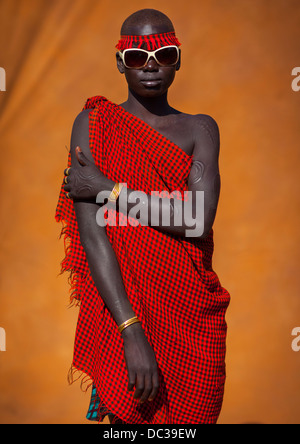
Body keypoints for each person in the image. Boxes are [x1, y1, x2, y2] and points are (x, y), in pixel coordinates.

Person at [55, 8, 230, 424]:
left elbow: (196, 221)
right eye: (137, 57)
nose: (150, 66)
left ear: (178, 60)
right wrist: (130, 328)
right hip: (125, 314)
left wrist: (107, 190)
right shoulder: (94, 124)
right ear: (120, 62)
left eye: (163, 54)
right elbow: (92, 233)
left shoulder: (199, 129)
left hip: (191, 315)